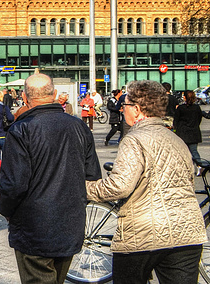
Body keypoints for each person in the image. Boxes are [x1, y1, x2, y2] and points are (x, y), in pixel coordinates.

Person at [86, 79, 206, 284]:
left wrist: (85, 188)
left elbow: (119, 186)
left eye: (125, 106)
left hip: (143, 233)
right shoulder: (177, 140)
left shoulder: (135, 139)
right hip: (187, 232)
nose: (123, 110)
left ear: (137, 109)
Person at [0, 74, 101, 284]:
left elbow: (14, 185)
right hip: (70, 223)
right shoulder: (79, 127)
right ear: (54, 94)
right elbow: (92, 177)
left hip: (33, 227)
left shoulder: (21, 130)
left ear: (25, 99)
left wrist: (5, 210)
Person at [173, 90, 210, 160]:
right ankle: (199, 165)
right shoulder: (197, 108)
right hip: (194, 132)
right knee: (194, 151)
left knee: (182, 152)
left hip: (182, 133)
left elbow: (176, 120)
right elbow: (199, 119)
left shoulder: (181, 108)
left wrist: (175, 130)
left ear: (185, 98)